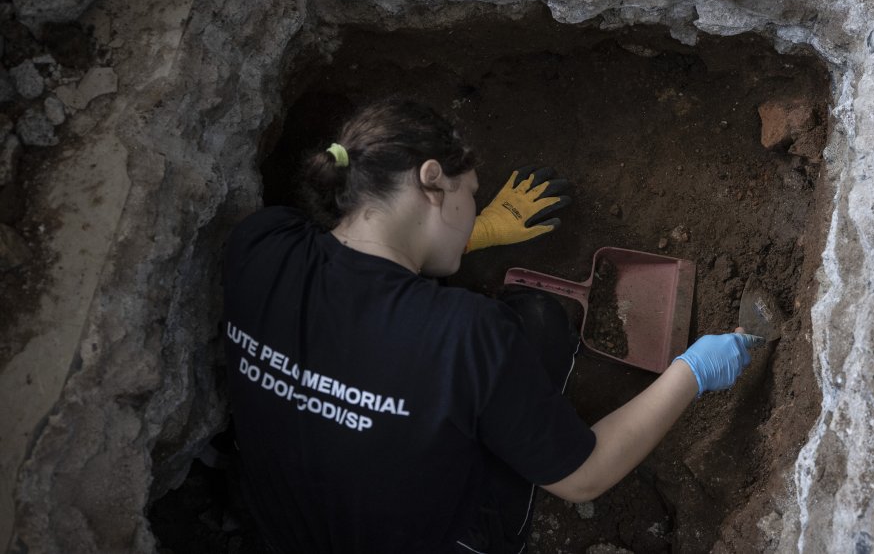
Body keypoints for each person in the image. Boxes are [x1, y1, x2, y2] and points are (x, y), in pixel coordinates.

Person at [221, 98, 753, 553]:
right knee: (541, 323)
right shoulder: (469, 334)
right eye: (472, 193)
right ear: (433, 180)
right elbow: (584, 478)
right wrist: (692, 371)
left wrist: (463, 239)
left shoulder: (260, 243)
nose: (478, 211)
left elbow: (356, 273)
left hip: (283, 532)